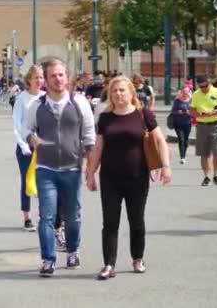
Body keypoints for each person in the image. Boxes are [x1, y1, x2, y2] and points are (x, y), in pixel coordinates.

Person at [85, 76, 171, 280]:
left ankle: (137, 258)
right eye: (114, 91)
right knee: (110, 223)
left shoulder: (143, 115)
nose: (118, 94)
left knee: (137, 221)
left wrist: (166, 166)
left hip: (137, 176)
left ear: (131, 93)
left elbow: (159, 140)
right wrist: (90, 173)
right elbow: (98, 147)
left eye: (122, 90)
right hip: (110, 178)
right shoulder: (105, 118)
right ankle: (108, 264)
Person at [25, 59, 95, 277]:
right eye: (53, 75)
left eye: (61, 75)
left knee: (73, 215)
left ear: (67, 77)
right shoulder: (37, 105)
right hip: (45, 168)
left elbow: (89, 135)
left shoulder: (79, 103)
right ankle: (48, 259)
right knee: (46, 216)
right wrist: (31, 138)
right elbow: (27, 130)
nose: (58, 79)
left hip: (72, 169)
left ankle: (73, 251)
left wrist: (90, 167)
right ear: (45, 80)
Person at [13, 65, 45, 232]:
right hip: (26, 147)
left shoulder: (46, 97)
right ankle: (27, 216)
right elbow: (17, 125)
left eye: (41, 77)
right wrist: (24, 145)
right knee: (27, 181)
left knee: (44, 181)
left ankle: (45, 215)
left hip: (43, 147)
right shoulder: (22, 98)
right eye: (36, 78)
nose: (39, 81)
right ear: (29, 80)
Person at [190, 75, 217, 186]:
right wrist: (195, 113)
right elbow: (191, 109)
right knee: (204, 154)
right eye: (201, 87)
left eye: (205, 86)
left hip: (215, 124)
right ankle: (206, 176)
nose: (204, 88)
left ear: (209, 83)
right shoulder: (196, 94)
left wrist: (213, 112)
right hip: (201, 125)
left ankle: (216, 175)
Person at [171, 85, 193, 164]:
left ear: (189, 92)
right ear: (181, 92)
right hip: (178, 123)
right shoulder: (177, 101)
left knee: (186, 140)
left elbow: (194, 112)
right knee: (181, 139)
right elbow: (173, 111)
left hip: (187, 123)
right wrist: (178, 112)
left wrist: (189, 112)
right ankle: (182, 157)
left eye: (187, 91)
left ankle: (184, 152)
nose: (185, 93)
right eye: (184, 91)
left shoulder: (191, 101)